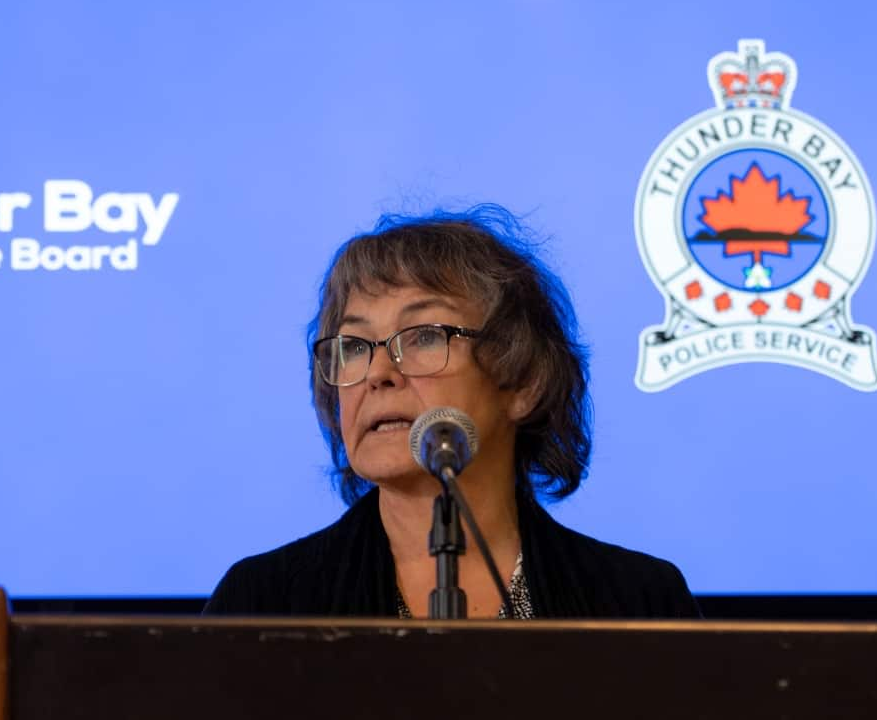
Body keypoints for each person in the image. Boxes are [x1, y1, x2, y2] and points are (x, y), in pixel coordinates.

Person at [204, 205, 699, 618]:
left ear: (523, 380)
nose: (378, 371)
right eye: (354, 345)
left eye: (423, 336)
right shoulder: (261, 605)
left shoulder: (639, 604)